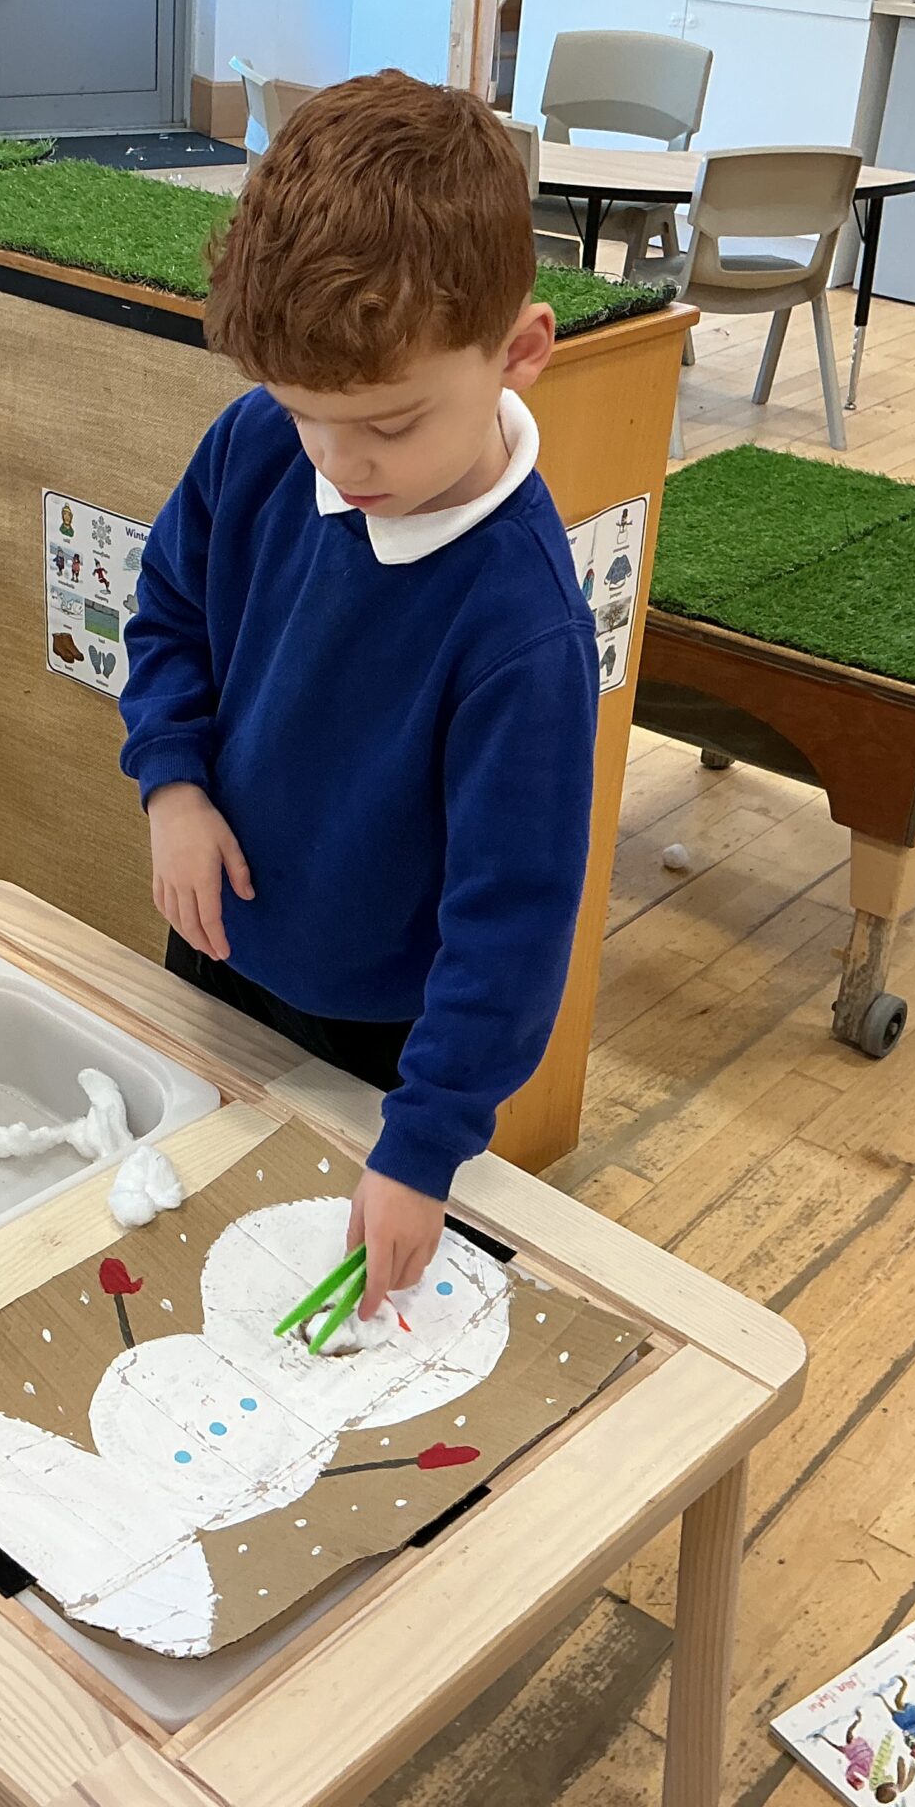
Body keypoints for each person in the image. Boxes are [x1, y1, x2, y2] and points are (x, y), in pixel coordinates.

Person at [118, 70, 598, 1319]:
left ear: (519, 355)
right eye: (308, 416)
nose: (341, 460)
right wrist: (172, 785)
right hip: (218, 953)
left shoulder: (523, 629)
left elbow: (513, 919)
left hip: (394, 1044)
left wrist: (423, 1147)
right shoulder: (254, 443)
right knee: (179, 1258)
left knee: (340, 1330)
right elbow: (167, 613)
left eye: (389, 422)